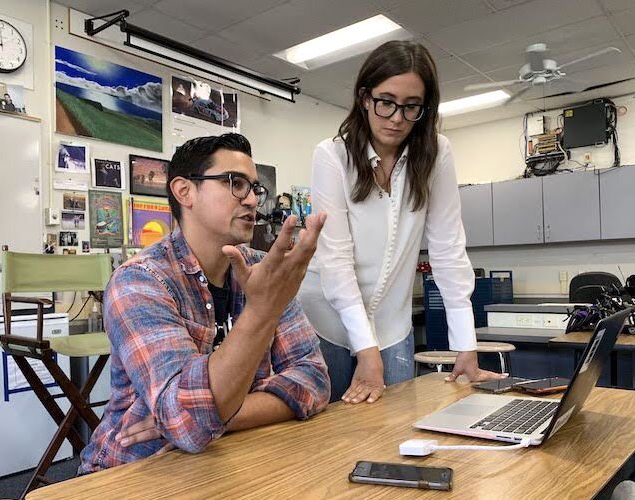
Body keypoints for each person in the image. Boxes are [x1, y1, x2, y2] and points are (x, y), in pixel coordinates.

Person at [78, 133, 330, 474]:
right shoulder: (140, 280)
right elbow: (187, 422)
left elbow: (313, 380)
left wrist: (220, 415)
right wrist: (261, 312)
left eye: (255, 188)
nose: (253, 201)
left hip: (230, 458)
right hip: (134, 470)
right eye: (235, 183)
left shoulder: (262, 268)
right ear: (185, 191)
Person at [299, 40, 505, 406]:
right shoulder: (332, 156)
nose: (396, 118)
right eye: (386, 101)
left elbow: (448, 249)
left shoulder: (436, 154)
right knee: (327, 437)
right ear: (364, 97)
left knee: (392, 433)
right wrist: (365, 349)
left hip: (394, 324)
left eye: (412, 107)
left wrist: (466, 346)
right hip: (326, 322)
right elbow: (335, 262)